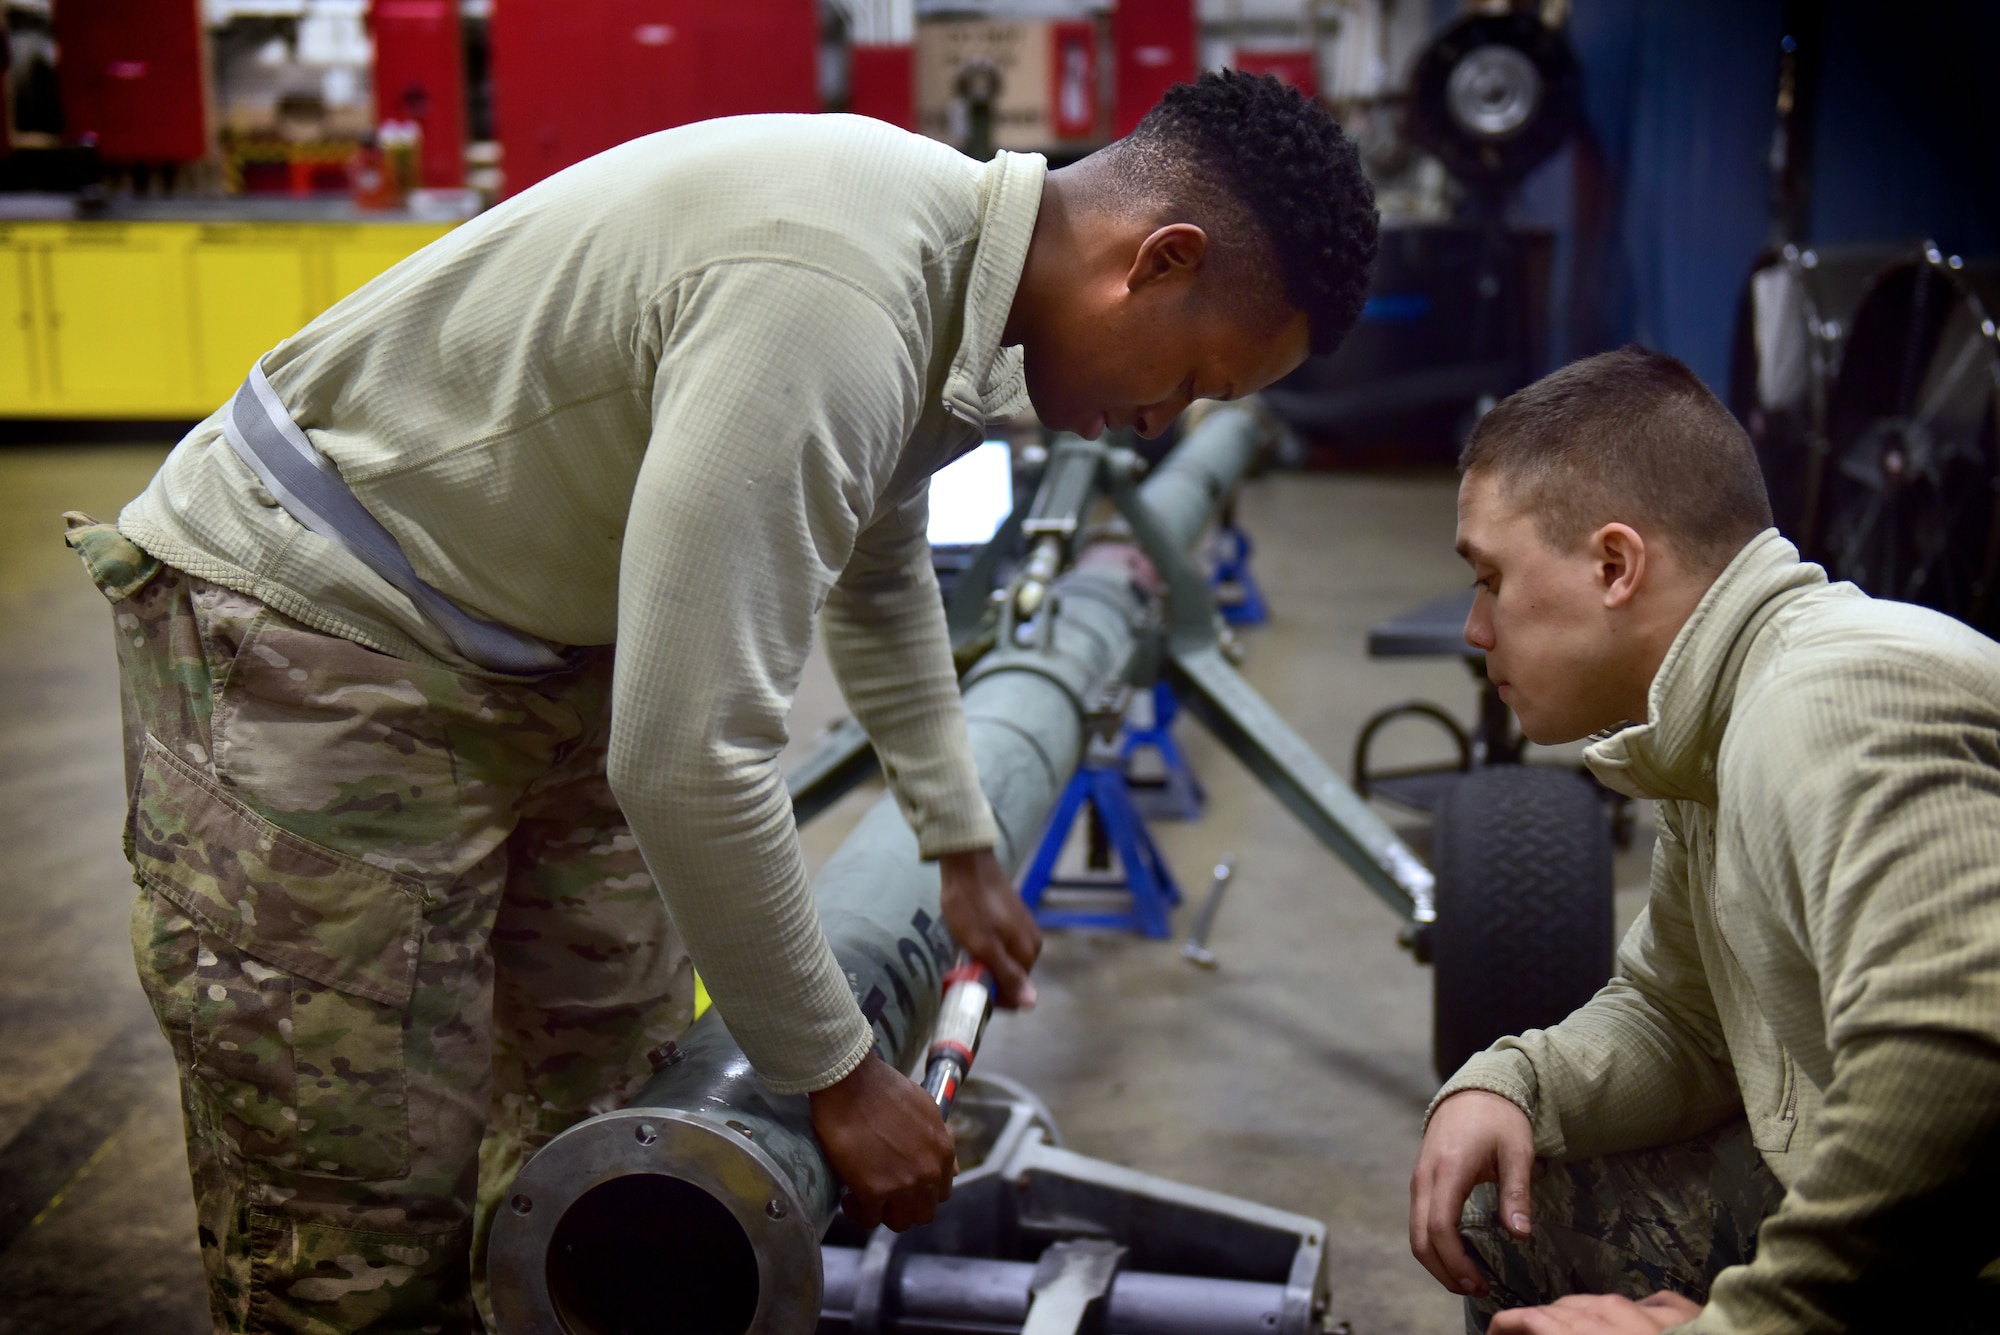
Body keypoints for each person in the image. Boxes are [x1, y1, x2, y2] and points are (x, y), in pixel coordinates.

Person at [63, 71, 1379, 1332]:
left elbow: (876, 578)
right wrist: (839, 1072)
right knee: (356, 1203)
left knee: (621, 1133)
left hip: (529, 642)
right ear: (1159, 259)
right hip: (327, 629)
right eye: (1193, 380)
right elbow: (688, 760)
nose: (1160, 425)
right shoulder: (836, 295)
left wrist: (960, 841)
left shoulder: (948, 285)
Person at [1407, 346, 2000, 1333]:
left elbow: (1958, 1051)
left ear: (1612, 565)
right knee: (1508, 1208)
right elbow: (1684, 1019)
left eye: (1490, 580)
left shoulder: (1829, 702)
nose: (1474, 629)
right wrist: (1515, 1081)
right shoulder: (1715, 727)